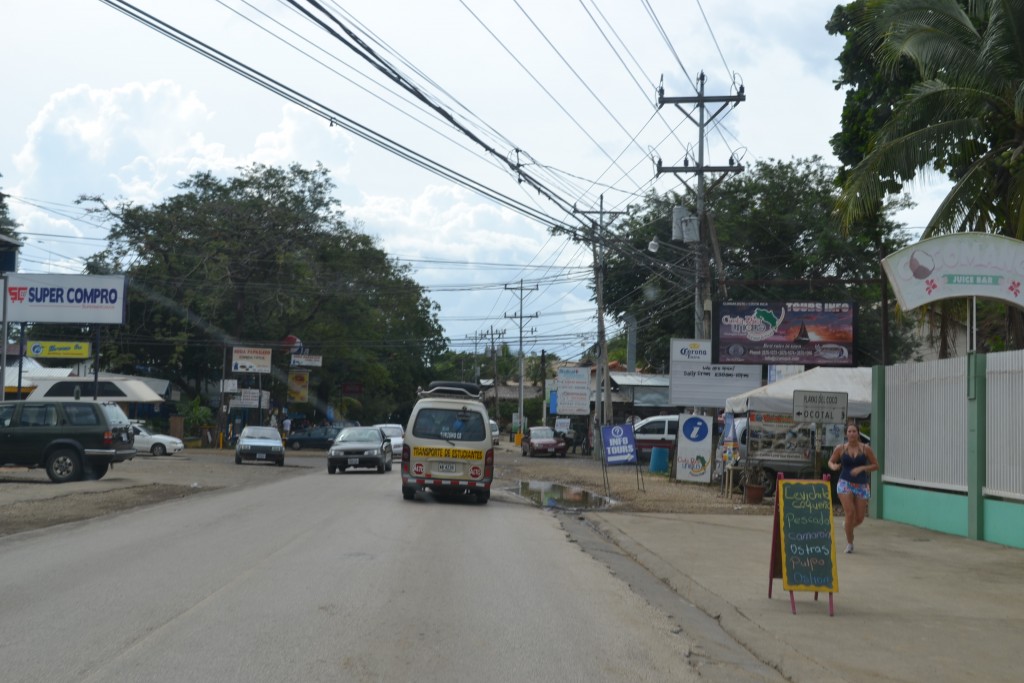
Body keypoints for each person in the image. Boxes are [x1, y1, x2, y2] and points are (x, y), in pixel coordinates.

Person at [828, 423, 878, 554]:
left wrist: (862, 468)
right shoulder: (841, 448)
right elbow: (831, 461)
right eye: (849, 431)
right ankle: (850, 543)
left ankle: (847, 526)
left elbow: (875, 465)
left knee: (860, 518)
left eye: (854, 431)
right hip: (845, 482)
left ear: (858, 433)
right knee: (849, 512)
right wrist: (833, 466)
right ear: (846, 434)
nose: (851, 434)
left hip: (861, 484)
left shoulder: (866, 449)